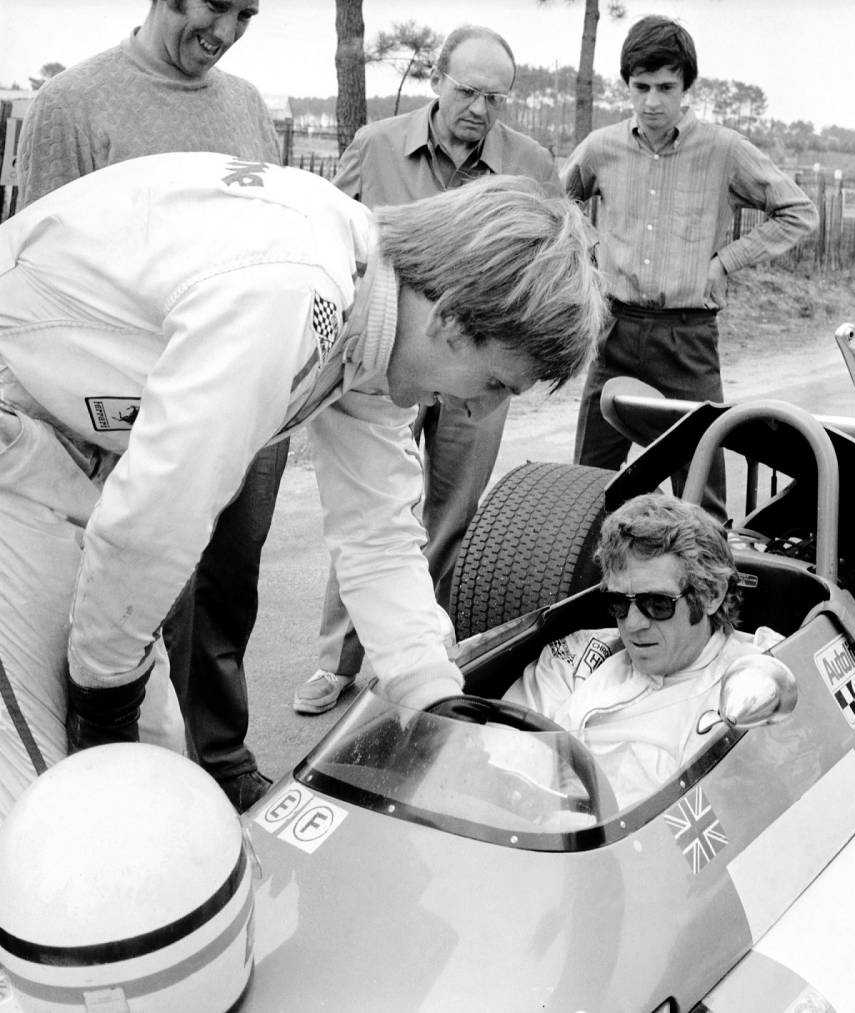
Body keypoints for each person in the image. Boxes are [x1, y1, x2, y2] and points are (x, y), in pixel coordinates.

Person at [0, 153, 606, 820]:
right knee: (46, 816)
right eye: (496, 384)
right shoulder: (293, 291)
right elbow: (159, 510)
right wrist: (105, 694)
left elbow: (377, 533)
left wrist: (436, 697)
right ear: (454, 322)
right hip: (21, 445)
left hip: (72, 459)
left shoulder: (369, 304)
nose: (477, 411)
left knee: (154, 791)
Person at [15, 0, 290, 810]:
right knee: (148, 602)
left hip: (244, 401)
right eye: (214, 6)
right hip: (132, 413)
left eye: (246, 14)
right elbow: (41, 270)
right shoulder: (74, 103)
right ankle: (147, 787)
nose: (227, 31)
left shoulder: (244, 105)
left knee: (228, 592)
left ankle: (223, 754)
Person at [294, 25, 561, 717]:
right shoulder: (375, 145)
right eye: (467, 90)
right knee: (371, 498)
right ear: (437, 78)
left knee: (448, 512)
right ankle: (337, 660)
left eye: (495, 98)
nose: (479, 108)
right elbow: (333, 238)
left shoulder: (531, 164)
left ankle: (412, 660)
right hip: (390, 354)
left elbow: (549, 266)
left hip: (476, 373)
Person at [563, 15, 817, 519]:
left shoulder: (724, 150)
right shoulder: (600, 148)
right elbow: (559, 203)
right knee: (587, 485)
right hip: (613, 331)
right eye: (641, 87)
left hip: (687, 339)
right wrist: (590, 250)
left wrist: (726, 261)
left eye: (666, 87)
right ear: (627, 86)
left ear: (686, 87)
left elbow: (799, 212)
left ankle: (705, 588)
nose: (653, 101)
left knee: (702, 493)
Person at [505, 493, 782, 809]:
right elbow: (502, 764)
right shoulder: (572, 660)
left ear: (711, 595)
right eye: (619, 604)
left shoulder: (751, 687)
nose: (633, 624)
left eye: (657, 604)